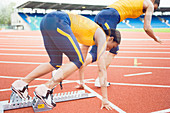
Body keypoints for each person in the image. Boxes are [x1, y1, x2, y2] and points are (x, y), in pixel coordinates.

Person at [11, 11, 121, 110]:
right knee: (77, 60)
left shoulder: (92, 35)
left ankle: (21, 83)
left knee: (55, 63)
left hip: (47, 21)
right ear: (110, 38)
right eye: (111, 46)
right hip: (59, 20)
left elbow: (82, 63)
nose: (108, 49)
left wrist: (82, 82)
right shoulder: (102, 36)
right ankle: (45, 89)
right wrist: (105, 98)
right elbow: (101, 69)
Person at [75, 0, 161, 89]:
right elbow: (147, 27)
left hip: (104, 15)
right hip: (110, 16)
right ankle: (99, 79)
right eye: (154, 8)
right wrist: (155, 37)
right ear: (153, 1)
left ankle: (83, 76)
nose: (152, 11)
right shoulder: (149, 4)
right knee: (109, 49)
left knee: (99, 49)